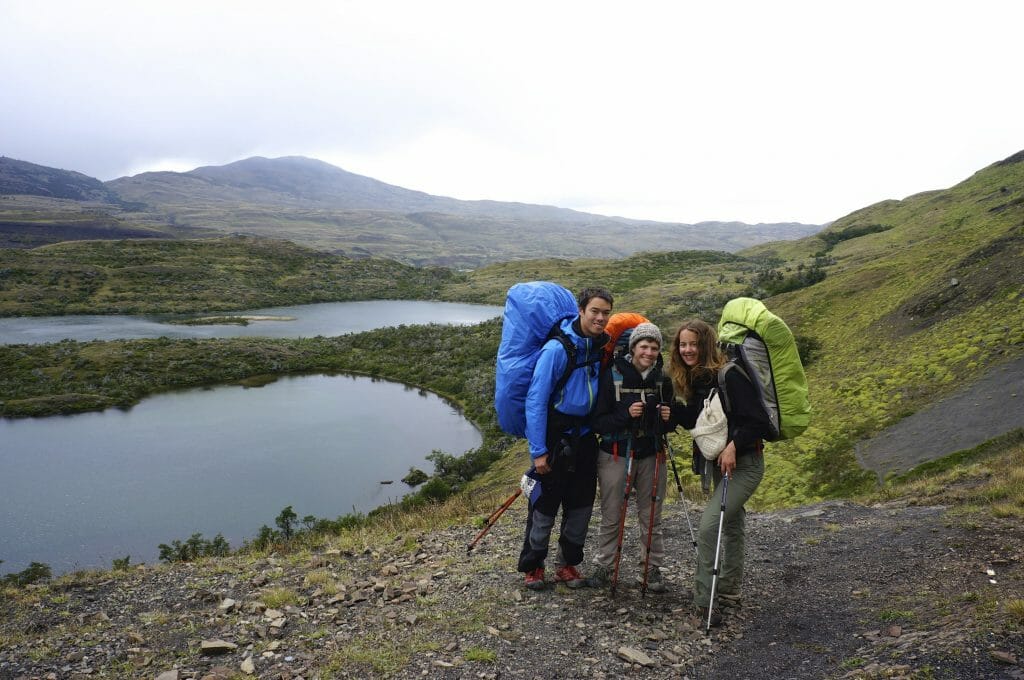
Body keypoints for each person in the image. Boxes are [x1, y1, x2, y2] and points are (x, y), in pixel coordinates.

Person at [667, 319, 773, 626]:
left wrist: (733, 446)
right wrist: (670, 413)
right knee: (733, 524)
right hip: (718, 463)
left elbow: (757, 421)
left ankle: (704, 599)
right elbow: (701, 419)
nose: (687, 350)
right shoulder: (698, 379)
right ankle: (729, 588)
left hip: (745, 464)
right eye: (682, 344)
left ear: (706, 344)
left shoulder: (728, 375)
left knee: (710, 525)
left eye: (694, 344)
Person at [518, 286, 613, 590]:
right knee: (544, 506)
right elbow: (535, 400)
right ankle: (534, 567)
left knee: (581, 505)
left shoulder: (600, 349)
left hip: (586, 438)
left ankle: (567, 565)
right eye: (594, 311)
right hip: (556, 439)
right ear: (581, 311)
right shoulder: (557, 350)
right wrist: (538, 451)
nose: (600, 318)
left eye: (605, 313)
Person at [589, 322, 675, 593]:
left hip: (651, 454)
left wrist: (667, 418)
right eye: (644, 346)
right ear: (633, 347)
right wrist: (626, 415)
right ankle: (604, 565)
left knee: (651, 515)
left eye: (654, 347)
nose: (648, 352)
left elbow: (670, 422)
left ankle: (651, 569)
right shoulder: (611, 375)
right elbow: (598, 422)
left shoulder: (663, 380)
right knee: (612, 514)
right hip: (616, 453)